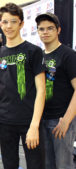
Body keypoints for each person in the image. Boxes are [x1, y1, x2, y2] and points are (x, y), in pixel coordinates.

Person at [0, 3, 46, 169]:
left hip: (30, 120)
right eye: (5, 22)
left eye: (13, 21)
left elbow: (41, 91)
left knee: (36, 165)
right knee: (9, 165)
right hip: (6, 121)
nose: (9, 26)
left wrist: (35, 125)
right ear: (0, 24)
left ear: (21, 23)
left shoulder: (33, 51)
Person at [35, 13, 76, 169]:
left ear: (58, 30)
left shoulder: (69, 55)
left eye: (50, 28)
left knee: (63, 165)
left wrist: (66, 120)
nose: (45, 32)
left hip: (60, 120)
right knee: (47, 165)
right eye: (41, 29)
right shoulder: (39, 56)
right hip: (43, 119)